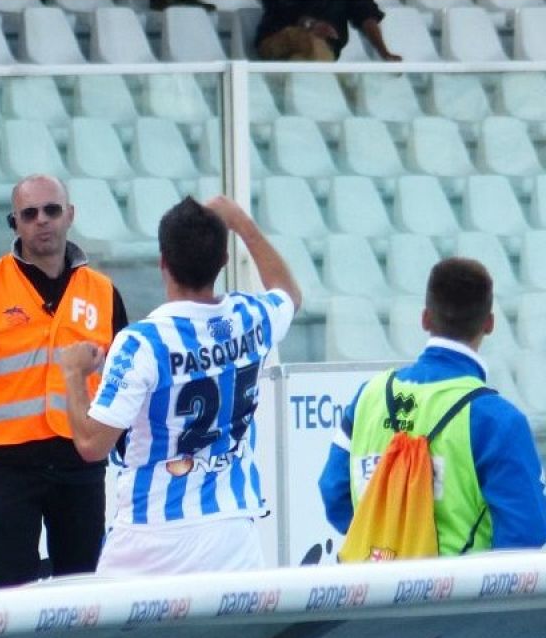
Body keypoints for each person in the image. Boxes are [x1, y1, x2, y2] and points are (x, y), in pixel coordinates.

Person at [58, 195, 302, 576]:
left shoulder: (143, 342)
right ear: (224, 260)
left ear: (163, 262)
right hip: (232, 534)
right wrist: (241, 223)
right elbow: (289, 294)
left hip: (150, 535)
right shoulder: (250, 317)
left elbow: (92, 445)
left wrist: (73, 374)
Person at [0, 174, 128, 587]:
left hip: (80, 464)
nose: (42, 220)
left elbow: (124, 385)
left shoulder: (103, 293)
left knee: (83, 590)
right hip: (8, 468)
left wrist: (132, 456)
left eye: (52, 210)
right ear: (14, 223)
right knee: (10, 592)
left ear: (70, 215)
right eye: (29, 213)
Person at [319, 257, 546, 555]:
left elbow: (333, 490)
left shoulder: (368, 396)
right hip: (459, 584)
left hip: (369, 579)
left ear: (425, 319)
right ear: (489, 324)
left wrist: (388, 543)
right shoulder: (497, 420)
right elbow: (525, 531)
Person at [255, 1, 401, 62]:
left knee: (312, 54)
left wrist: (384, 53)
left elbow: (367, 16)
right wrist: (311, 24)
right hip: (276, 38)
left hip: (322, 50)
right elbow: (280, 7)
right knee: (311, 43)